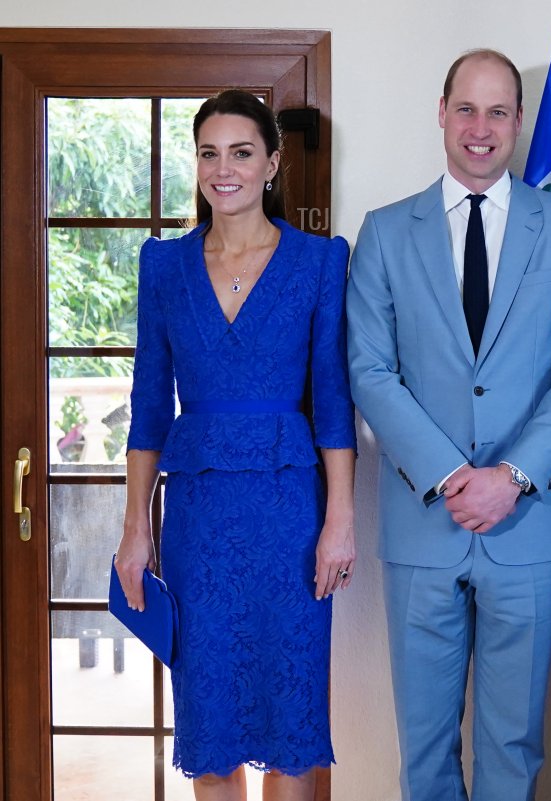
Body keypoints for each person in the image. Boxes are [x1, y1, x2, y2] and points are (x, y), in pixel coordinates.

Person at [345, 49, 551, 801]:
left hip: (528, 519)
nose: (481, 128)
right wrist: (453, 476)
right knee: (423, 742)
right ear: (441, 110)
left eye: (498, 112)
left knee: (512, 740)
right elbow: (369, 371)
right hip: (423, 516)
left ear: (519, 122)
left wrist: (510, 477)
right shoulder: (388, 231)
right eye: (467, 108)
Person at [115, 89, 357, 801]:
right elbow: (150, 407)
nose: (225, 170)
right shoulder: (163, 266)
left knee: (290, 721)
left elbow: (335, 400)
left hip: (291, 515)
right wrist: (135, 529)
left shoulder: (319, 261)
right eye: (209, 154)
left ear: (272, 163)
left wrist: (339, 518)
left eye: (242, 153)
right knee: (210, 720)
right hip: (197, 519)